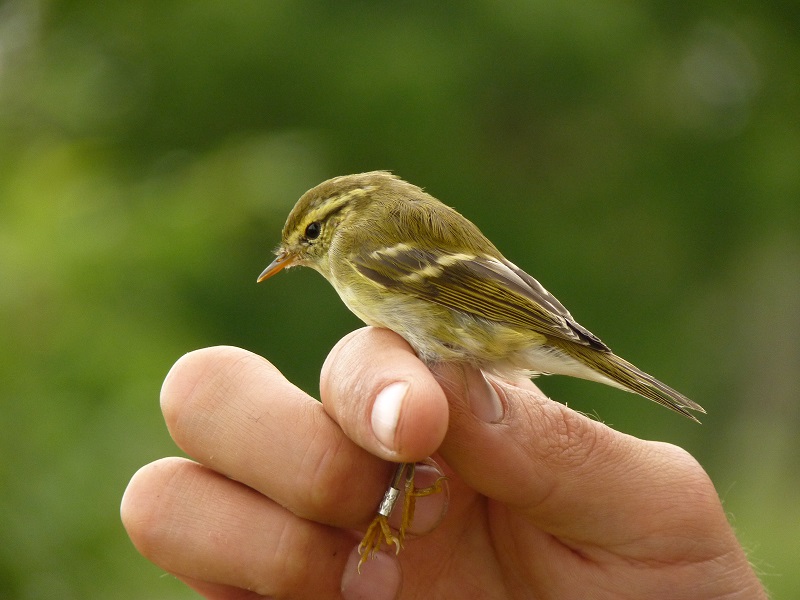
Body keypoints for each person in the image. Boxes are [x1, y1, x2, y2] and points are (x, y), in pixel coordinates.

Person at [121, 327, 767, 600]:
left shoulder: (367, 246)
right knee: (409, 414)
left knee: (414, 411)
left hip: (488, 331)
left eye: (312, 236)